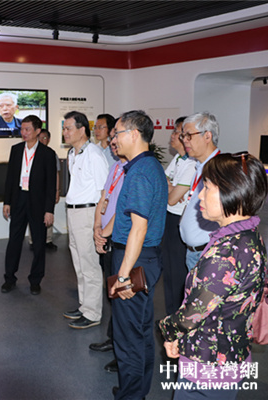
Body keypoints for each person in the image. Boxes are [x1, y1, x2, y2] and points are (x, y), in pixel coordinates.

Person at [159, 152, 268, 400]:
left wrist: (168, 331)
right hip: (231, 354)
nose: (200, 195)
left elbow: (193, 313)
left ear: (231, 192)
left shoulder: (226, 253)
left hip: (208, 366)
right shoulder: (249, 234)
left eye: (207, 187)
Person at [109, 110, 168, 399]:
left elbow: (139, 228)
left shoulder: (141, 172)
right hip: (143, 258)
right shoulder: (147, 166)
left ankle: (131, 395)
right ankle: (135, 390)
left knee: (128, 337)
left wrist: (122, 276)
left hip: (134, 260)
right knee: (140, 331)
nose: (114, 139)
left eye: (117, 133)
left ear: (134, 134)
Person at [61, 110, 109, 329]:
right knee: (79, 262)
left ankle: (92, 313)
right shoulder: (73, 154)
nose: (65, 132)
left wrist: (99, 223)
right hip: (73, 212)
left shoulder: (94, 155)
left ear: (82, 130)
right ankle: (84, 305)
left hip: (88, 213)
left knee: (89, 263)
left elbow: (104, 193)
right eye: (64, 128)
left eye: (68, 128)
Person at [1, 115, 57, 295]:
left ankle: (35, 280)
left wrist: (49, 210)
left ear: (37, 131)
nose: (23, 132)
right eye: (22, 129)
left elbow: (50, 185)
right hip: (19, 200)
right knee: (14, 241)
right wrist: (7, 201)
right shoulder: (16, 150)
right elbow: (10, 178)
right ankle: (9, 278)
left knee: (39, 244)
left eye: (27, 129)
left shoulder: (47, 154)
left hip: (38, 203)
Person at [89, 125, 127, 373]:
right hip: (106, 236)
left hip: (119, 239)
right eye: (112, 139)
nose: (113, 142)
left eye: (117, 137)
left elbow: (124, 209)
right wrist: (96, 226)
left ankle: (122, 351)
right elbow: (104, 198)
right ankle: (113, 339)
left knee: (122, 296)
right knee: (112, 292)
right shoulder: (114, 167)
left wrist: (104, 233)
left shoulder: (134, 170)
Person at [161, 116, 196, 315]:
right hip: (169, 217)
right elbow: (162, 181)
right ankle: (170, 316)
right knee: (169, 271)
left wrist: (172, 189)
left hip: (179, 220)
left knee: (178, 272)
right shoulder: (178, 159)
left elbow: (173, 199)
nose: (172, 136)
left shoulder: (192, 164)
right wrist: (172, 188)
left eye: (176, 132)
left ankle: (179, 317)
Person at [179, 112, 221, 272]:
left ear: (207, 136)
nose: (184, 140)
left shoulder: (219, 170)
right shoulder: (199, 167)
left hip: (207, 252)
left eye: (189, 135)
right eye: (183, 136)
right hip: (194, 252)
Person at [28, 129, 60, 250]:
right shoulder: (30, 153)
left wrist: (57, 191)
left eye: (44, 138)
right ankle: (33, 240)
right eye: (40, 137)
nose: (42, 140)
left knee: (48, 213)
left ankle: (48, 240)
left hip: (47, 192)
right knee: (32, 215)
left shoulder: (51, 154)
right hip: (33, 192)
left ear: (49, 140)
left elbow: (56, 174)